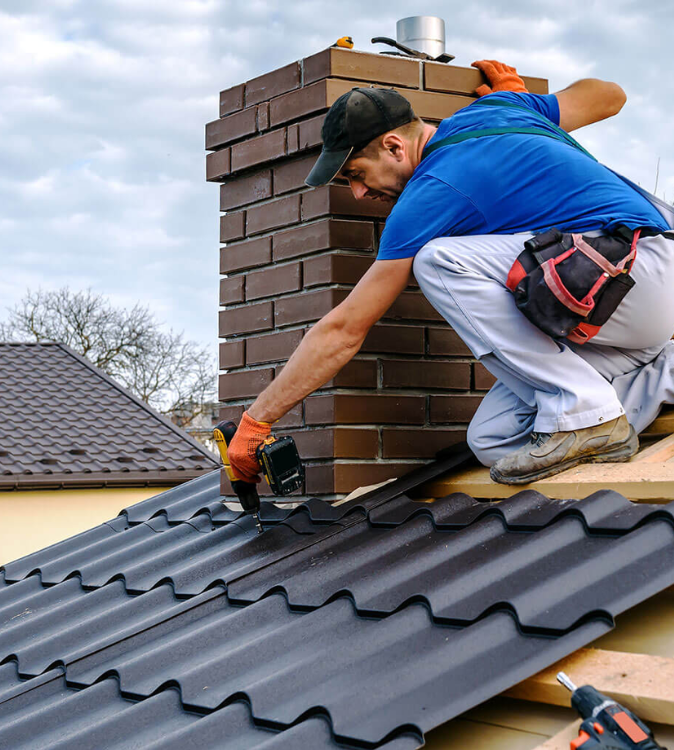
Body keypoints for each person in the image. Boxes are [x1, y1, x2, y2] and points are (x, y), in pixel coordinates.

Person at [227, 60, 674, 486]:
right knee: (495, 439)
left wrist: (257, 420)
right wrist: (527, 105)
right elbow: (609, 95)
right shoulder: (500, 108)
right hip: (618, 315)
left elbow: (344, 329)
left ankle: (587, 409)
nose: (359, 194)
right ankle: (654, 380)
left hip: (643, 268)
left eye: (357, 174)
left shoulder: (431, 193)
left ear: (394, 147)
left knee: (439, 261)